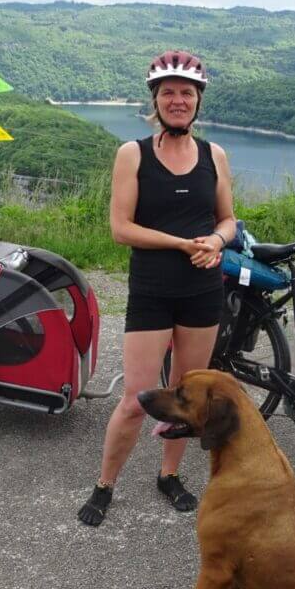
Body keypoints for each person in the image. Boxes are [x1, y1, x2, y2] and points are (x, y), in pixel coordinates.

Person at [78, 51, 236, 527]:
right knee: (136, 397)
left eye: (186, 93)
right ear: (156, 100)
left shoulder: (215, 156)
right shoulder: (134, 154)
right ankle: (105, 484)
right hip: (152, 288)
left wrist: (215, 240)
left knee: (188, 395)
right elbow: (121, 228)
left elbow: (228, 219)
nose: (178, 100)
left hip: (202, 290)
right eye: (168, 92)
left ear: (198, 101)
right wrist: (180, 243)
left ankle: (169, 477)